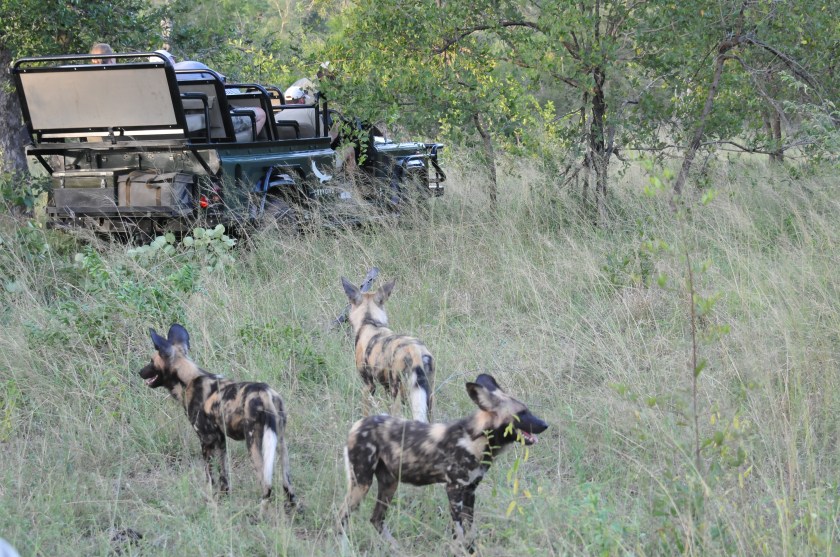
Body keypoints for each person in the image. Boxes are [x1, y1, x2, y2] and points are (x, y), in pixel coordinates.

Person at [174, 60, 266, 140]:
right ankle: (240, 145)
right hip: (213, 121)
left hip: (185, 122)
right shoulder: (195, 66)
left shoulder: (168, 77)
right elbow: (222, 84)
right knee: (261, 113)